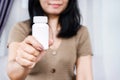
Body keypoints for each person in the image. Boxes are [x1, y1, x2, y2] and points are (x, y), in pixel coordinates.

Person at [7, 0, 93, 80]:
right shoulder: (21, 28)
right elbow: (13, 75)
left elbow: (85, 76)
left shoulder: (81, 32)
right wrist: (22, 63)